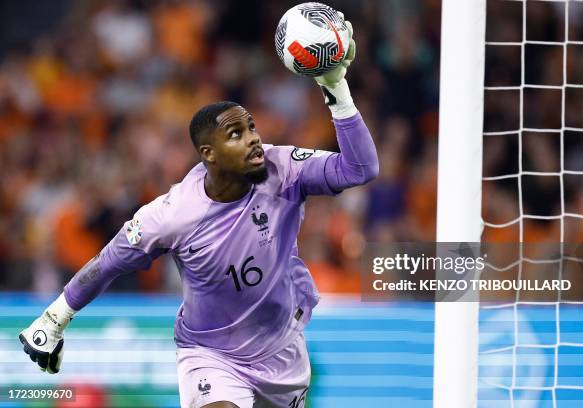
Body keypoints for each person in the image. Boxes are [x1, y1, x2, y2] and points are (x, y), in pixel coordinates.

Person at [19, 21, 378, 408]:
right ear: (209, 154)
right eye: (236, 134)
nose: (255, 138)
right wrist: (53, 320)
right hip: (211, 356)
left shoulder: (283, 168)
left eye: (252, 127)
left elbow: (360, 169)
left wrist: (336, 86)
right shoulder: (173, 215)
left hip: (283, 353)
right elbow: (108, 263)